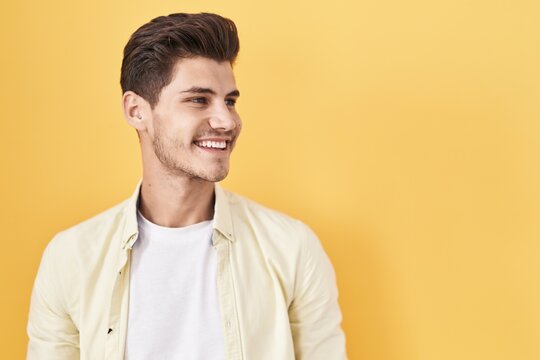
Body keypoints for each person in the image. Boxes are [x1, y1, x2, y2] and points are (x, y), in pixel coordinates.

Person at [26, 12, 347, 360]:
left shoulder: (291, 249)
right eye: (198, 99)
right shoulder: (71, 259)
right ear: (137, 111)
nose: (227, 120)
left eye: (230, 100)